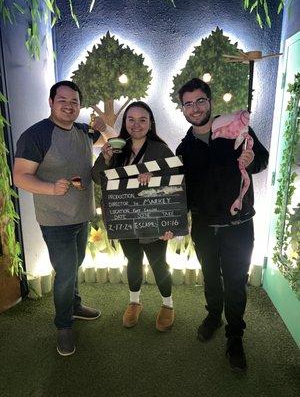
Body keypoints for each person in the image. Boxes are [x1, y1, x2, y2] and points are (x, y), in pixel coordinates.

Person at [13, 80, 113, 357]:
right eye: (63, 101)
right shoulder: (36, 135)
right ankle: (63, 325)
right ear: (51, 102)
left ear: (79, 106)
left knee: (76, 264)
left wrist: (104, 136)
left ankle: (75, 305)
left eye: (74, 102)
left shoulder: (83, 131)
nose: (69, 106)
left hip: (82, 215)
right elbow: (19, 176)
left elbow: (112, 141)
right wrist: (49, 188)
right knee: (66, 272)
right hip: (55, 220)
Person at [176, 78, 269, 372]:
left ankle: (235, 335)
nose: (195, 108)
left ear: (210, 102)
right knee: (211, 277)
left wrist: (251, 159)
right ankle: (214, 316)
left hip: (238, 224)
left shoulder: (236, 129)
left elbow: (262, 159)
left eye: (200, 101)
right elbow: (179, 192)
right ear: (182, 108)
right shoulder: (184, 148)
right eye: (188, 103)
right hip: (203, 226)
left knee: (236, 281)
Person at [92, 101, 175, 332]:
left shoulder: (161, 149)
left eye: (142, 120)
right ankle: (134, 302)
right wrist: (106, 158)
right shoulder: (116, 147)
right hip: (125, 219)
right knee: (133, 262)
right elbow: (97, 178)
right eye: (131, 119)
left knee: (159, 264)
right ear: (124, 122)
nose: (136, 124)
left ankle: (168, 305)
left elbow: (175, 181)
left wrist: (155, 176)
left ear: (150, 123)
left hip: (154, 220)